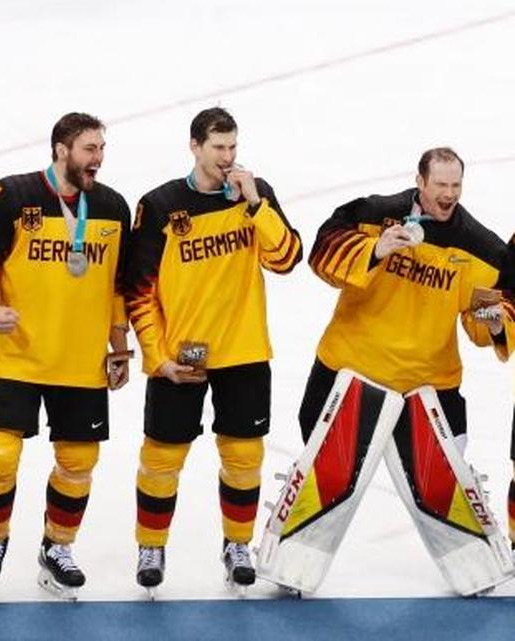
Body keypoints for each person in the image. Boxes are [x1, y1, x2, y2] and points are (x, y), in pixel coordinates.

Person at [286, 146, 509, 592]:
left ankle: (478, 564)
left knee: (448, 480)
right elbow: (321, 254)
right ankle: (292, 563)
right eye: (440, 185)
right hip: (350, 366)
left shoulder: (483, 248)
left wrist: (495, 320)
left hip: (428, 382)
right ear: (420, 182)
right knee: (326, 475)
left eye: (456, 185)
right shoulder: (373, 214)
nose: (448, 194)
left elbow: (482, 321)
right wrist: (375, 249)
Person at [125, 107, 301, 594]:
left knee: (244, 455)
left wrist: (255, 206)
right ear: (195, 147)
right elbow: (138, 290)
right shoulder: (160, 205)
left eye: (233, 148)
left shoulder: (254, 193)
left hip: (243, 350)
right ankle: (151, 546)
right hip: (183, 355)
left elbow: (286, 258)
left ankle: (237, 546)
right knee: (161, 457)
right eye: (219, 148)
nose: (228, 158)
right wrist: (157, 357)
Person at [0, 112, 131, 599]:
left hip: (81, 360)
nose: (97, 159)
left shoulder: (113, 208)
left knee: (78, 461)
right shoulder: (11, 197)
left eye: (100, 149)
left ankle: (57, 548)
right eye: (88, 149)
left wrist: (119, 349)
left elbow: (120, 286)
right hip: (15, 355)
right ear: (61, 150)